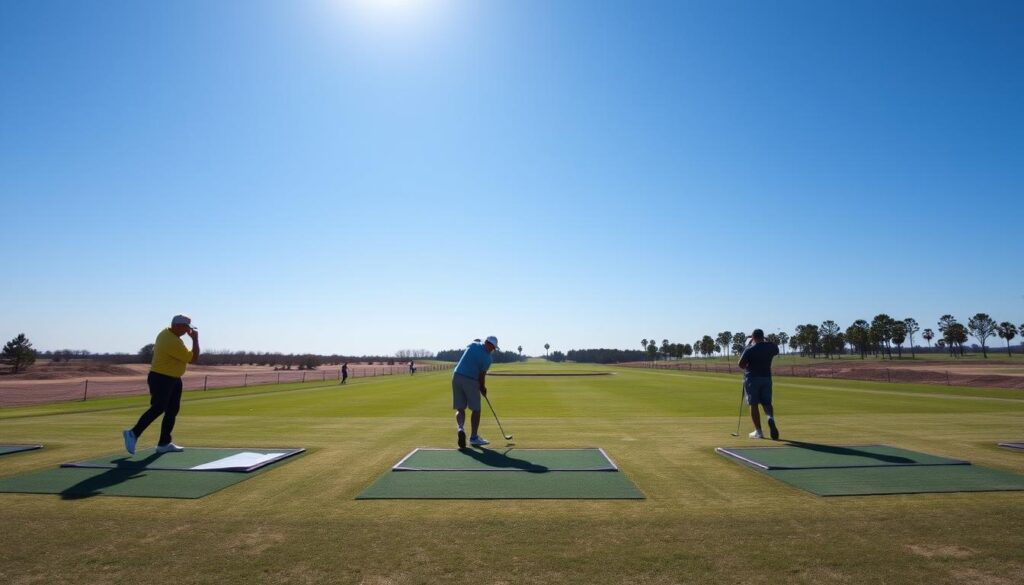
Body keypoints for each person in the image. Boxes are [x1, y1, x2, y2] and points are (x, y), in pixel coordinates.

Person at [122, 314, 200, 454]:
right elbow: (193, 358)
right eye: (185, 327)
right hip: (162, 378)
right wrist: (195, 340)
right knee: (158, 408)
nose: (187, 331)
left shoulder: (169, 334)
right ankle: (133, 433)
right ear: (176, 326)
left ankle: (164, 443)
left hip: (173, 378)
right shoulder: (171, 340)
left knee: (172, 410)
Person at [451, 336, 499, 448]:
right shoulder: (488, 359)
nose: (492, 350)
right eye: (492, 347)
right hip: (470, 380)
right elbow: (481, 376)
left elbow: (475, 341)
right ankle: (473, 437)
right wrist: (483, 388)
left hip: (456, 377)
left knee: (460, 408)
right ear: (487, 343)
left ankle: (460, 428)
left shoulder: (473, 345)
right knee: (476, 409)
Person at [737, 328, 780, 440]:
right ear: (763, 336)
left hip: (752, 378)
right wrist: (766, 339)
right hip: (766, 378)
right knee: (767, 403)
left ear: (753, 337)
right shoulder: (770, 347)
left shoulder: (750, 349)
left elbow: (741, 364)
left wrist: (749, 344)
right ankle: (770, 418)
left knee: (754, 404)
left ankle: (759, 431)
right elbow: (775, 348)